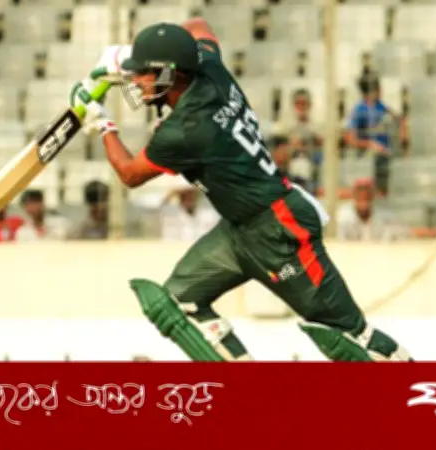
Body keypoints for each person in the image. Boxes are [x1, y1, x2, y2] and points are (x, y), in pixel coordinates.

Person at [68, 19, 412, 362]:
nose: (134, 80)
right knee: (177, 302)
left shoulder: (185, 130)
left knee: (350, 335)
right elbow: (200, 25)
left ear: (170, 73)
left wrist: (102, 123)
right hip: (239, 229)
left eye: (143, 72)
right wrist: (140, 51)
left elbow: (129, 173)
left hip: (278, 229)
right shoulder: (210, 67)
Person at [344, 72, 407, 197]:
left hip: (386, 157)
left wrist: (402, 133)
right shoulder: (359, 111)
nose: (379, 90)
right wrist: (370, 144)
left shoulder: (381, 107)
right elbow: (349, 138)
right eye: (375, 88)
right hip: (368, 159)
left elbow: (399, 120)